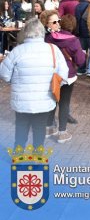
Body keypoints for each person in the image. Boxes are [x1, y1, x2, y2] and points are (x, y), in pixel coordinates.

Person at [0, 18, 68, 148]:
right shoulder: (53, 50)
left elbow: (4, 75)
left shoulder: (17, 51)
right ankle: (38, 156)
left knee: (21, 129)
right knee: (39, 129)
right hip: (44, 99)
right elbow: (63, 74)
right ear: (42, 32)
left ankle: (18, 156)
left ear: (26, 32)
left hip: (21, 100)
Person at [41, 12, 85, 143]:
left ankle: (49, 128)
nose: (57, 23)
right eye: (54, 22)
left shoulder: (46, 39)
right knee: (64, 102)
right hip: (67, 75)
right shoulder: (72, 40)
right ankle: (62, 132)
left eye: (58, 20)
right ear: (47, 24)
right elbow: (80, 60)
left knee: (52, 99)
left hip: (51, 74)